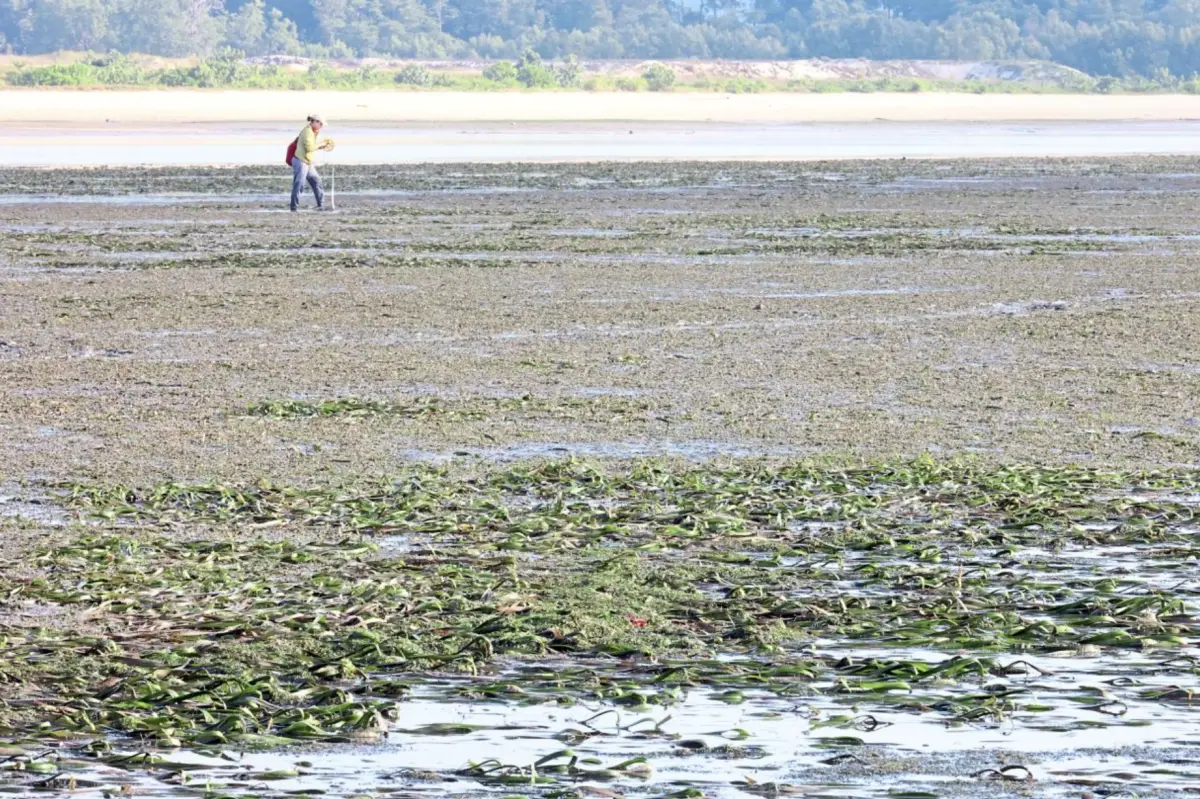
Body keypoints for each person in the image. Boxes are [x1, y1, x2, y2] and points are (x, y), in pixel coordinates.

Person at [291, 114, 334, 212]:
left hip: (307, 162)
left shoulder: (312, 132)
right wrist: (321, 144)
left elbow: (311, 147)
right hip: (301, 161)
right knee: (299, 184)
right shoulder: (307, 132)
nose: (321, 126)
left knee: (316, 181)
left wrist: (321, 147)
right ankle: (293, 207)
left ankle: (321, 205)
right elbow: (309, 148)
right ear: (315, 122)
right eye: (321, 124)